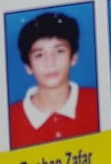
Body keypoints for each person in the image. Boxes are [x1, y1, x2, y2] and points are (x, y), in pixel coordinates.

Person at [8, 12, 98, 148]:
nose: (50, 63)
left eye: (59, 51)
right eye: (39, 55)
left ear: (74, 57)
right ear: (28, 67)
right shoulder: (10, 119)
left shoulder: (98, 100)